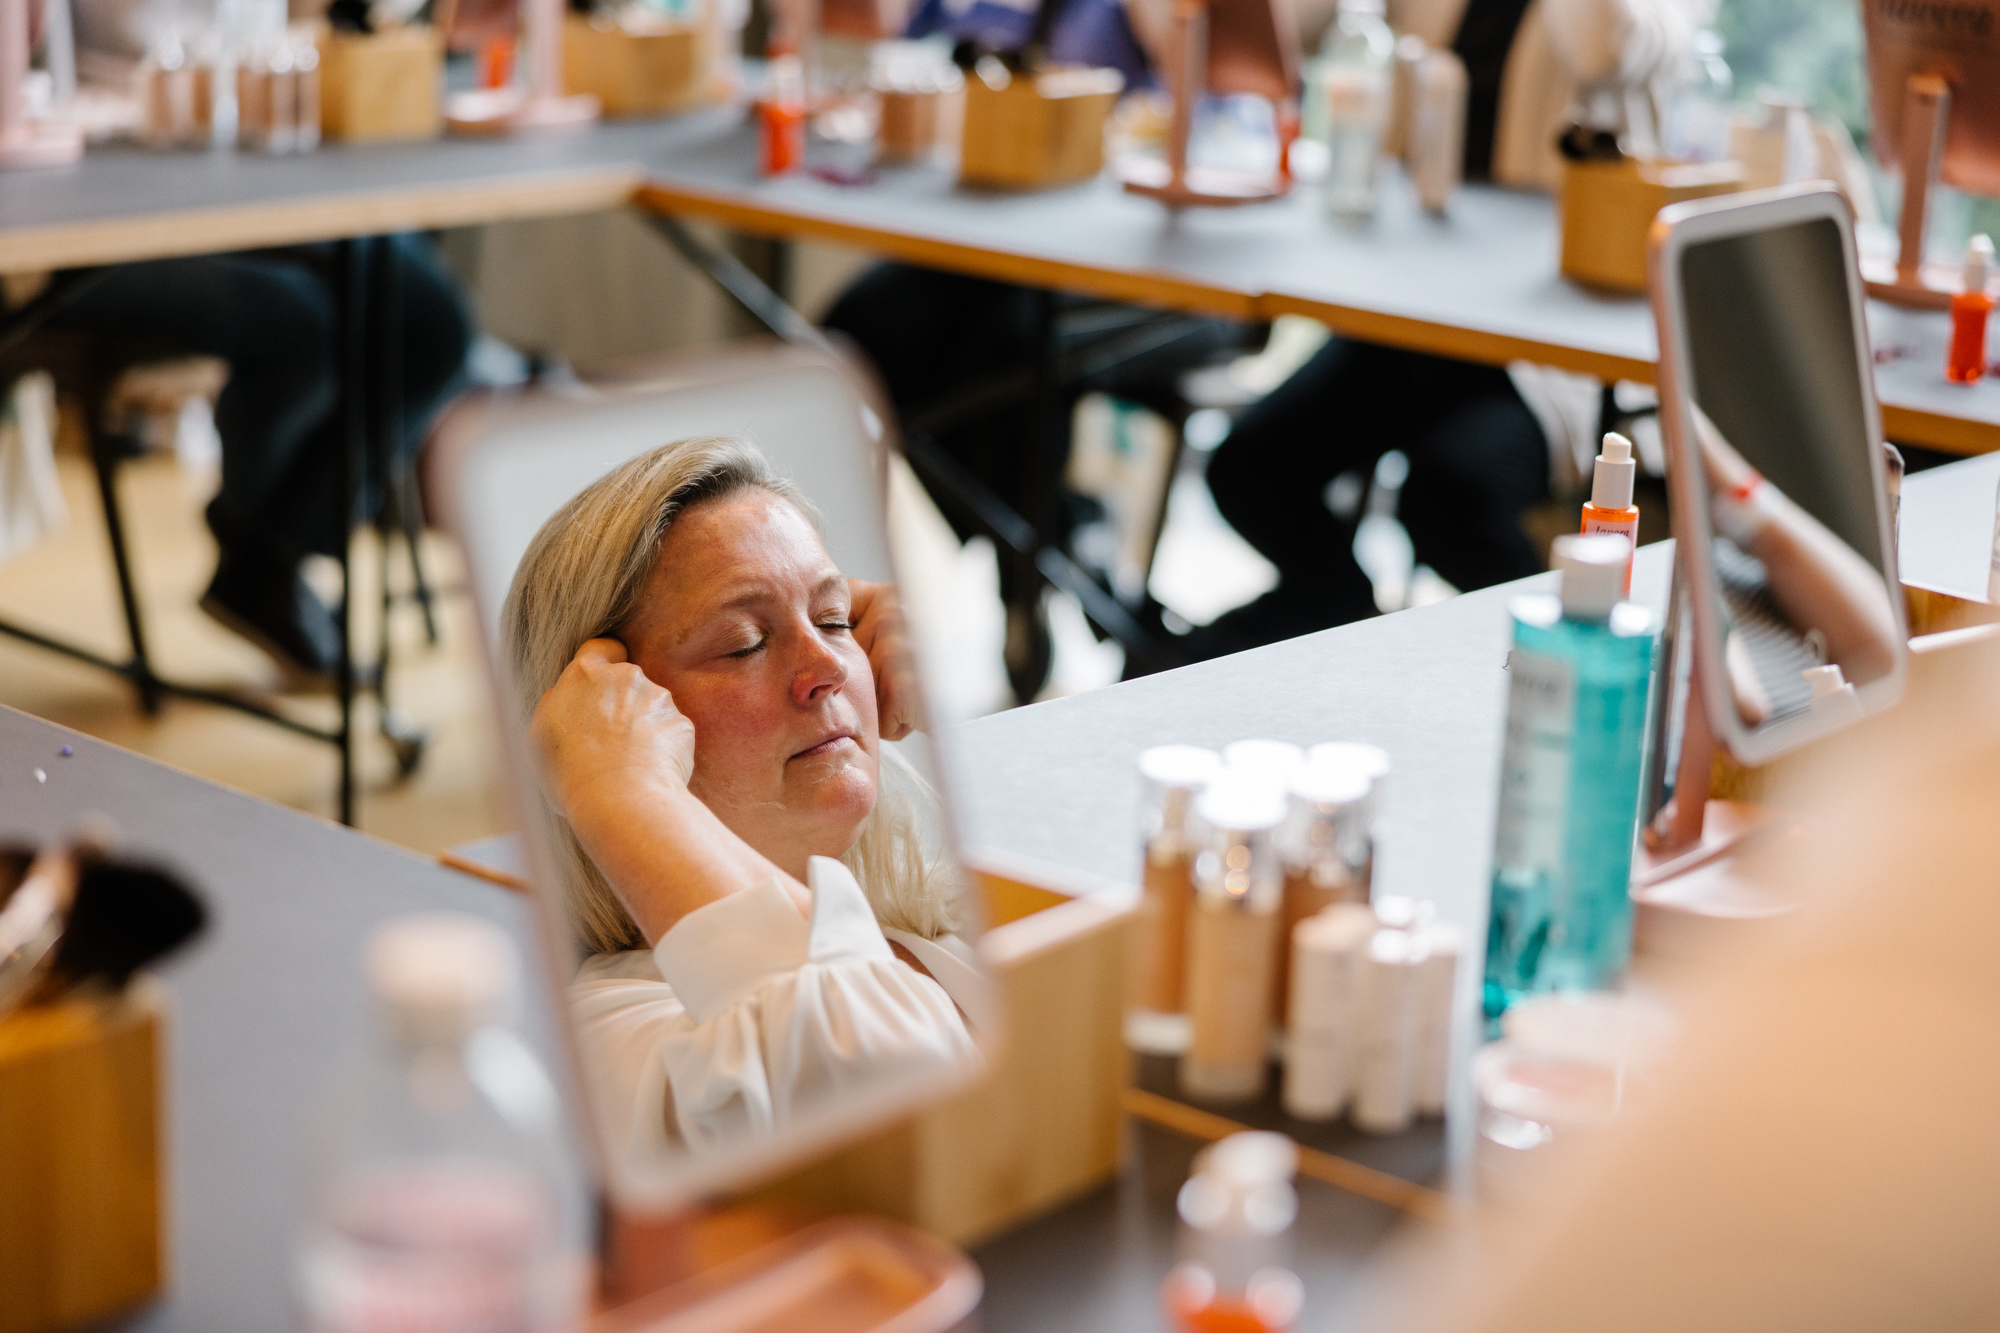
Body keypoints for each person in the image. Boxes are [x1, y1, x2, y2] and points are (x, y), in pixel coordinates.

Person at [503, 437, 983, 1156]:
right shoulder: (611, 1036)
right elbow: (882, 1071)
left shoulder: (932, 926)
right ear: (608, 720)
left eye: (835, 619)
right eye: (743, 643)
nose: (826, 666)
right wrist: (621, 790)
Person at [1197, 0, 1700, 651]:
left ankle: (1558, 665)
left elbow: (1606, 48)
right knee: (1249, 468)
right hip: (1412, 318)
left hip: (1541, 353)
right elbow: (1298, 30)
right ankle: (1344, 621)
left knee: (1448, 502)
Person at [48, 241, 472, 684]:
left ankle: (272, 552)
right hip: (91, 242)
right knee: (303, 328)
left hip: (245, 210)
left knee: (435, 325)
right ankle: (260, 555)